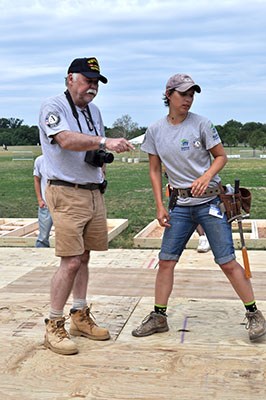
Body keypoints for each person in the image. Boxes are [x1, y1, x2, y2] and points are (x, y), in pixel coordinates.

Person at [132, 73, 266, 342]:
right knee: (166, 260)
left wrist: (206, 177)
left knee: (226, 261)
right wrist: (159, 205)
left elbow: (220, 157)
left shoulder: (202, 124)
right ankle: (159, 316)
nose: (188, 99)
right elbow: (155, 169)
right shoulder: (156, 130)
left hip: (210, 204)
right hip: (180, 205)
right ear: (168, 94)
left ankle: (254, 314)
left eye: (192, 94)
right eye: (183, 94)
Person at [39, 56, 134, 355]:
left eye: (96, 82)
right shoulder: (53, 107)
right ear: (70, 79)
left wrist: (102, 166)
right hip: (66, 191)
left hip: (93, 191)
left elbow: (93, 148)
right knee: (70, 261)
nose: (92, 87)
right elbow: (66, 140)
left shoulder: (94, 110)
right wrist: (105, 142)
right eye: (87, 80)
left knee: (85, 256)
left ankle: (79, 314)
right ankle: (54, 324)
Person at [33, 154, 53, 248]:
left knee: (67, 237)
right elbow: (37, 180)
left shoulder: (64, 159)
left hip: (63, 205)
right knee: (43, 237)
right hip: (46, 205)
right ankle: (40, 257)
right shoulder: (40, 160)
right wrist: (40, 199)